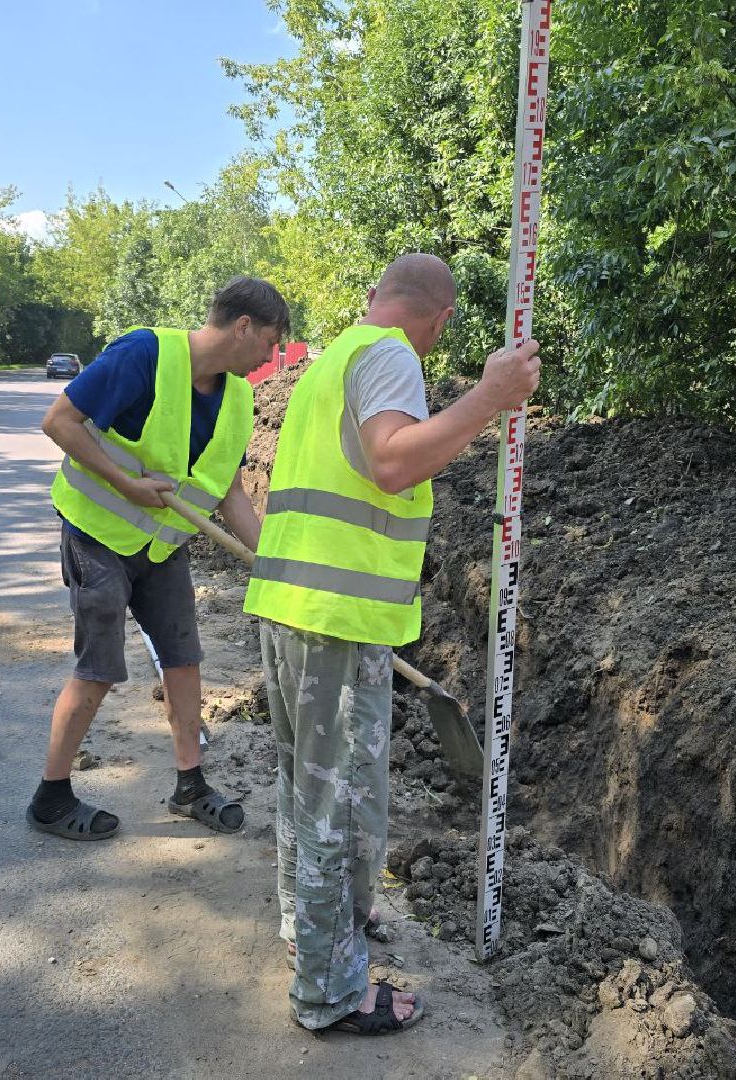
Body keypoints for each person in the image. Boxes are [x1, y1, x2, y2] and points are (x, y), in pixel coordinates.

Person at [243, 254, 541, 1033]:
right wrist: (489, 397)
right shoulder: (391, 356)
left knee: (306, 794)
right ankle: (331, 993)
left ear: (376, 296)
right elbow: (391, 461)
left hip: (291, 608)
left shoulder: (333, 359)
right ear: (439, 321)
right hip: (335, 620)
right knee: (341, 808)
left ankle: (314, 933)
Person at [28, 277, 289, 840]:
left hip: (162, 547)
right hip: (98, 536)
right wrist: (125, 483)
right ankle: (50, 797)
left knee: (183, 657)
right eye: (270, 342)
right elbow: (59, 421)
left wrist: (266, 558)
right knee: (99, 668)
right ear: (243, 326)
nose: (273, 356)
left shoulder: (239, 397)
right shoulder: (145, 354)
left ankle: (190, 784)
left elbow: (230, 491)